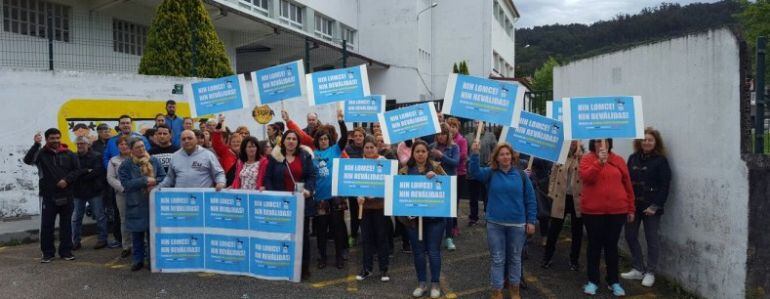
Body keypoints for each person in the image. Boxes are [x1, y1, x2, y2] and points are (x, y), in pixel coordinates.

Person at [470, 141, 537, 299]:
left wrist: (531, 221)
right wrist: (474, 154)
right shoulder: (491, 173)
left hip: (517, 225)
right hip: (495, 225)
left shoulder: (521, 175)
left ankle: (515, 290)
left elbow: (530, 199)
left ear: (512, 156)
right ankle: (497, 292)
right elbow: (474, 172)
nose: (505, 157)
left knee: (515, 258)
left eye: (508, 154)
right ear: (497, 158)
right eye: (502, 154)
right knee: (498, 259)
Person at [580, 139, 635, 296]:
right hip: (593, 212)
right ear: (593, 144)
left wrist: (631, 208)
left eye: (604, 141)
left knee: (611, 247)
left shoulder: (618, 160)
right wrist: (599, 162)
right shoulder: (587, 159)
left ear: (610, 143)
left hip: (617, 212)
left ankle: (613, 281)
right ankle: (593, 281)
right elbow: (587, 177)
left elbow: (627, 184)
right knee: (594, 246)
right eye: (598, 141)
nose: (601, 144)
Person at [621, 128, 672, 288]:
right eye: (644, 139)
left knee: (652, 240)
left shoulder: (661, 160)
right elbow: (626, 181)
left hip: (651, 207)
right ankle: (638, 268)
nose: (646, 142)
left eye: (650, 140)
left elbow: (665, 185)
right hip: (633, 206)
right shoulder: (633, 158)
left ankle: (650, 272)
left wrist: (655, 206)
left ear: (656, 142)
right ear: (639, 142)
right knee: (630, 235)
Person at [263, 130, 317, 280]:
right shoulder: (276, 158)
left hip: (301, 204)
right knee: (283, 236)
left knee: (303, 237)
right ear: (283, 141)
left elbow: (312, 176)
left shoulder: (305, 156)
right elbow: (268, 178)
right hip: (282, 205)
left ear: (298, 142)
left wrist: (309, 190)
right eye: (288, 138)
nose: (291, 141)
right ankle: (283, 265)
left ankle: (304, 268)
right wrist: (274, 196)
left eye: (294, 139)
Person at [398, 139, 447, 299]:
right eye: (417, 151)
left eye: (423, 151)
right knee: (418, 253)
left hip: (435, 219)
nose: (420, 154)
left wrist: (438, 178)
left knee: (433, 252)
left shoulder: (436, 167)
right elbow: (398, 195)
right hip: (413, 220)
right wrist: (405, 214)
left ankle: (435, 284)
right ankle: (422, 284)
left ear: (428, 153)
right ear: (413, 153)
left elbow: (448, 188)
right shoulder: (404, 171)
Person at [24, 129, 80, 263]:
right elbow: (28, 160)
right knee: (47, 225)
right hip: (48, 196)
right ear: (46, 139)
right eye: (52, 138)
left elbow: (77, 170)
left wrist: (66, 180)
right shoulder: (41, 153)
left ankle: (66, 251)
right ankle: (48, 253)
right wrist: (36, 145)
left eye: (57, 138)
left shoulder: (69, 153)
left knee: (66, 225)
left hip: (67, 194)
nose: (55, 140)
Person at [118, 138, 165, 271]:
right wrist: (144, 180)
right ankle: (137, 260)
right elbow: (126, 184)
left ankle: (152, 261)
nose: (141, 149)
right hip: (136, 203)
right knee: (137, 234)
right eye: (137, 147)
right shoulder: (126, 165)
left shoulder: (154, 160)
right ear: (131, 150)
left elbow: (163, 177)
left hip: (152, 203)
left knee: (152, 235)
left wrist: (154, 181)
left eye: (143, 146)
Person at [311, 109, 348, 270]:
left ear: (329, 140)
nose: (324, 141)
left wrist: (341, 121)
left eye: (326, 138)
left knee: (337, 228)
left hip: (336, 196)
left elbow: (345, 137)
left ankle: (339, 256)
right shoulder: (312, 155)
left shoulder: (335, 150)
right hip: (320, 197)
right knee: (321, 230)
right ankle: (322, 257)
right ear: (317, 141)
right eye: (321, 139)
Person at [542, 141, 584, 271]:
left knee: (577, 231)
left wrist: (580, 158)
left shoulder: (584, 157)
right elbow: (553, 176)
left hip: (577, 199)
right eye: (570, 141)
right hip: (561, 197)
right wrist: (551, 192)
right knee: (554, 229)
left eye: (575, 141)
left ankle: (574, 260)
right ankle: (547, 258)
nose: (572, 143)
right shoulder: (560, 156)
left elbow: (587, 175)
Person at [356, 136, 391, 282]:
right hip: (365, 207)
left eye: (372, 147)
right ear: (363, 149)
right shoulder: (359, 164)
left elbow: (389, 183)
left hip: (380, 206)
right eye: (367, 147)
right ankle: (367, 268)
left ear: (377, 148)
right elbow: (354, 183)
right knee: (366, 239)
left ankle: (384, 269)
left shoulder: (383, 162)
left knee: (381, 238)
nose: (369, 150)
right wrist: (358, 196)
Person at [71, 136, 108, 250]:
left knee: (99, 216)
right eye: (78, 144)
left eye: (82, 143)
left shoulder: (96, 156)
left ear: (88, 145)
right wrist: (85, 171)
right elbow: (72, 173)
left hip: (94, 191)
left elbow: (97, 172)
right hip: (78, 192)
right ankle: (75, 241)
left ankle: (102, 240)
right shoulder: (73, 157)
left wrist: (79, 175)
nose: (80, 146)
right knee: (76, 218)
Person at [159, 130, 225, 190]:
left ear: (196, 140)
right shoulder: (175, 156)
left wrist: (220, 182)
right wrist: (158, 188)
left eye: (190, 138)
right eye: (183, 139)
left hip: (202, 198)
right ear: (180, 141)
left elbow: (219, 173)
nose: (186, 141)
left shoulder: (208, 155)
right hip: (181, 199)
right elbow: (170, 178)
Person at [429, 124, 460, 251]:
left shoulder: (454, 147)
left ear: (448, 135)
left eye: (444, 134)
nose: (441, 137)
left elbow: (456, 163)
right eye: (439, 134)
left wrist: (442, 156)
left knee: (448, 212)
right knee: (436, 210)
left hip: (449, 181)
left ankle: (449, 238)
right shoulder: (431, 147)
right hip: (435, 181)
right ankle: (435, 237)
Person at [464, 121, 497, 226]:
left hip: (486, 171)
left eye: (481, 123)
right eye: (476, 123)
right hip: (472, 172)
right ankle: (473, 218)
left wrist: (492, 159)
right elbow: (465, 152)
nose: (478, 125)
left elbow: (495, 150)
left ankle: (488, 217)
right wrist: (470, 160)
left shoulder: (490, 136)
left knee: (487, 196)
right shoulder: (468, 137)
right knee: (473, 198)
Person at [106, 135, 133, 258]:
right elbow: (110, 178)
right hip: (121, 194)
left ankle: (141, 244)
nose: (124, 146)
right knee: (124, 220)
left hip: (138, 194)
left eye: (126, 144)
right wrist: (123, 188)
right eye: (121, 144)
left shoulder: (137, 158)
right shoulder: (113, 160)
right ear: (118, 147)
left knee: (140, 219)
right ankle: (127, 246)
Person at [446, 117, 468, 238]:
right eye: (450, 126)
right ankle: (448, 224)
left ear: (457, 128)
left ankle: (454, 226)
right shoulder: (445, 140)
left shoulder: (461, 140)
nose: (452, 129)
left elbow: (463, 155)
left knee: (455, 201)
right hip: (447, 174)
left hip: (459, 174)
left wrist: (455, 151)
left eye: (454, 126)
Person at [345, 127, 366, 246]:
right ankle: (353, 235)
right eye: (356, 135)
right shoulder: (348, 149)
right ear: (353, 137)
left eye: (360, 136)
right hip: (353, 186)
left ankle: (365, 235)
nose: (358, 138)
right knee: (354, 212)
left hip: (365, 185)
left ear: (364, 137)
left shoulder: (368, 148)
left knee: (364, 213)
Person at [210, 116, 243, 186]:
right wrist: (219, 125)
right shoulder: (225, 151)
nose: (236, 143)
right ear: (230, 143)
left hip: (241, 185)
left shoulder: (245, 154)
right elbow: (216, 143)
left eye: (238, 142)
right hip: (227, 184)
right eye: (233, 142)